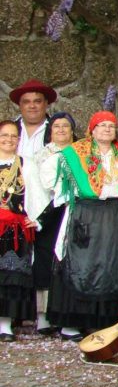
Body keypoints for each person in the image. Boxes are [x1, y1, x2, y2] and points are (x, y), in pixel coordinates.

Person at [48, 111, 118, 339]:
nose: (107, 129)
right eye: (102, 125)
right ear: (92, 130)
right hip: (85, 211)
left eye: (111, 126)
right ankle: (71, 322)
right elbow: (57, 186)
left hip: (111, 214)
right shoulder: (75, 154)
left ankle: (99, 320)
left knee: (107, 264)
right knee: (80, 263)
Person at [23, 112, 76, 336]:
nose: (61, 130)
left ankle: (66, 313)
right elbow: (35, 187)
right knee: (45, 260)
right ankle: (43, 316)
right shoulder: (39, 156)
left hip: (72, 211)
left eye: (66, 126)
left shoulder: (81, 153)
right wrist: (39, 214)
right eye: (56, 127)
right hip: (47, 212)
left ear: (73, 130)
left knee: (69, 262)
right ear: (50, 131)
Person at [0, 120, 37, 341]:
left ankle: (5, 325)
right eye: (4, 135)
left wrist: (35, 217)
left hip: (14, 229)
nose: (9, 140)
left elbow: (36, 194)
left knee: (10, 276)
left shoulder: (26, 164)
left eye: (14, 136)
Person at [9, 79, 56, 159]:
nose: (32, 106)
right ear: (19, 105)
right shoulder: (6, 131)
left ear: (46, 103)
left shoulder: (59, 131)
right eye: (26, 102)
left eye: (37, 101)